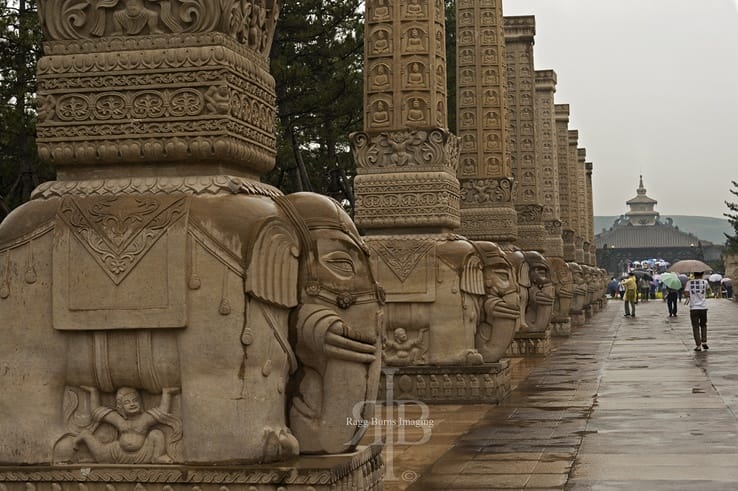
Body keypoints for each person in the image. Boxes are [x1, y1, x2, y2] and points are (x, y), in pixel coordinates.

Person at [684, 271, 709, 351]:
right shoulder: (705, 282)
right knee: (703, 325)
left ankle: (698, 345)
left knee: (695, 327)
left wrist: (689, 296)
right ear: (702, 274)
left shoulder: (689, 282)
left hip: (694, 308)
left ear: (694, 275)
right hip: (703, 307)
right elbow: (708, 291)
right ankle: (704, 341)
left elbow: (686, 292)